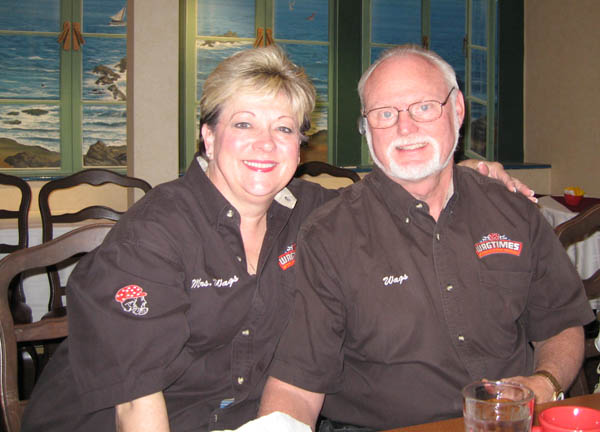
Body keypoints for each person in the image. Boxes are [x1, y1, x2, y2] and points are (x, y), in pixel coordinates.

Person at [21, 45, 534, 432]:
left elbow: (394, 195)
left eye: (285, 129)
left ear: (300, 145)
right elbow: (136, 408)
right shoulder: (154, 235)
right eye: (244, 124)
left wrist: (466, 174)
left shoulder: (310, 211)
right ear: (208, 136)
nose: (266, 144)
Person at [258, 45, 594, 432]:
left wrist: (545, 383)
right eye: (385, 114)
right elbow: (298, 386)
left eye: (423, 107)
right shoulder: (329, 235)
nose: (405, 128)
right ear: (366, 128)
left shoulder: (513, 211)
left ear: (458, 109)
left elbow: (561, 323)